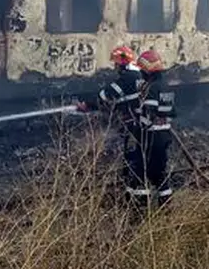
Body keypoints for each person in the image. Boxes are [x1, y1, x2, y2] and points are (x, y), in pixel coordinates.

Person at [75, 45, 145, 196]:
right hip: (141, 121)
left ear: (123, 63)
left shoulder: (127, 78)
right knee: (139, 154)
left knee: (131, 157)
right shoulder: (139, 74)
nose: (115, 67)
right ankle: (134, 188)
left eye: (116, 63)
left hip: (133, 123)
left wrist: (87, 105)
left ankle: (133, 192)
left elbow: (106, 95)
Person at [133, 49, 177, 208]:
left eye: (142, 70)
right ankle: (166, 207)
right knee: (160, 173)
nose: (141, 73)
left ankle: (141, 208)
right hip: (164, 135)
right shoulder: (166, 86)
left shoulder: (152, 88)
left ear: (147, 71)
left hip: (151, 137)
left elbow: (148, 114)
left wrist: (137, 124)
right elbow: (172, 112)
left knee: (141, 172)